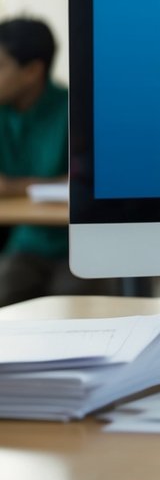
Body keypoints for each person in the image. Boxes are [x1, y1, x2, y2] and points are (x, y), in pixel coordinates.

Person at [0, 17, 71, 305]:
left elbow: (83, 183)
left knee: (73, 304)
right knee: (7, 291)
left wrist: (14, 186)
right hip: (25, 241)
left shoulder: (75, 109)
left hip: (75, 244)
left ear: (32, 71)